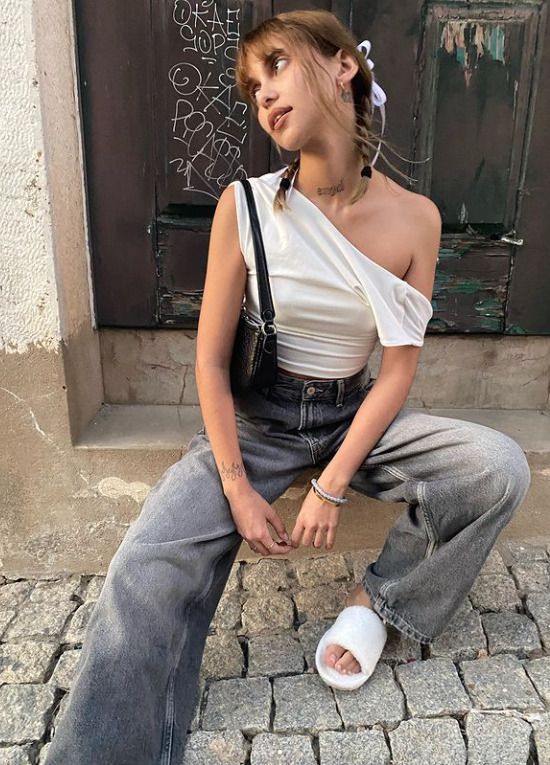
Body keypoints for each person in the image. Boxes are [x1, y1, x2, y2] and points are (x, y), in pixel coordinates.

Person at [44, 8, 531, 763]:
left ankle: (378, 602)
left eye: (275, 65)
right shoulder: (245, 206)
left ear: (343, 65)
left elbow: (398, 371)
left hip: (354, 415)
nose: (263, 94)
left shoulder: (417, 220)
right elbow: (210, 363)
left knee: (498, 467)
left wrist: (331, 487)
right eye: (251, 87)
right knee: (145, 563)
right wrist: (237, 487)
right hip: (258, 423)